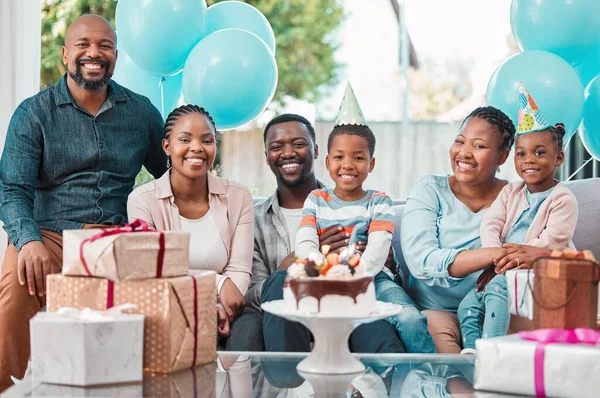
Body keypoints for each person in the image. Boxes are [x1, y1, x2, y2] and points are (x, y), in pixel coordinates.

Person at [0, 14, 166, 391]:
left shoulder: (140, 113)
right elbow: (11, 190)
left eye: (104, 46)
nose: (94, 53)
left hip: (117, 238)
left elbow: (170, 176)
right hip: (51, 236)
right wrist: (28, 242)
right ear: (65, 55)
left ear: (116, 56)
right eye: (83, 45)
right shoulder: (33, 113)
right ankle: (6, 390)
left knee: (168, 295)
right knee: (13, 290)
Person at [295, 82, 435, 353]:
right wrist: (325, 272)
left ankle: (428, 377)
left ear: (371, 163)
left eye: (358, 158)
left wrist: (353, 277)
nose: (348, 164)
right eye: (339, 156)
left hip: (374, 279)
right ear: (327, 163)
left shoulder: (379, 201)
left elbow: (379, 246)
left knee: (410, 317)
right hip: (325, 279)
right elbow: (305, 242)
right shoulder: (316, 200)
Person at [457, 84, 578, 353]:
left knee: (498, 288)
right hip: (504, 262)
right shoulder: (511, 192)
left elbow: (552, 241)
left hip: (541, 267)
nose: (529, 160)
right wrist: (495, 256)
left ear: (558, 158)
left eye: (539, 152)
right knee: (469, 303)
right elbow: (491, 223)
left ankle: (493, 350)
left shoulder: (563, 199)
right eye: (521, 154)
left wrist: (510, 262)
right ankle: (472, 352)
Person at [127, 104, 255, 350]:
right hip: (167, 308)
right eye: (185, 139)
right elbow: (154, 272)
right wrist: (217, 283)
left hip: (227, 310)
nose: (197, 147)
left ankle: (241, 389)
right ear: (167, 146)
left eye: (207, 140)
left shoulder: (238, 196)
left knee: (249, 330)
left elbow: (239, 268)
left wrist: (219, 308)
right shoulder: (143, 201)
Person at [401, 106, 520, 353]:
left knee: (499, 369)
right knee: (453, 378)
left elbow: (520, 256)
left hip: (491, 309)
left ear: (502, 157)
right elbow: (420, 260)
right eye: (460, 141)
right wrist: (491, 255)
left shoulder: (515, 199)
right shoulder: (430, 189)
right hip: (435, 310)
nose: (464, 153)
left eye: (478, 146)